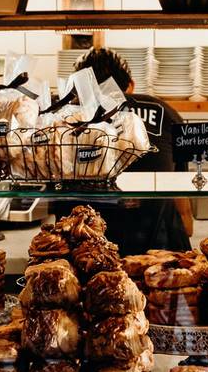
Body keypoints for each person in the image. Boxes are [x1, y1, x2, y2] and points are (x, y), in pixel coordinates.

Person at [62, 47, 193, 254]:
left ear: (79, 89)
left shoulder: (67, 121)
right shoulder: (166, 111)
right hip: (160, 250)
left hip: (86, 250)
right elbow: (182, 200)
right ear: (130, 85)